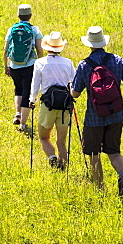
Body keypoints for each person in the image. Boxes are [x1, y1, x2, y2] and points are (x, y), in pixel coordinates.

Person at [70, 25, 123, 197]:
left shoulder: (84, 65)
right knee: (114, 151)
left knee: (94, 154)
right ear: (103, 42)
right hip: (116, 115)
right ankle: (122, 177)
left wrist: (70, 88)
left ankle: (100, 190)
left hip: (94, 118)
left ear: (89, 44)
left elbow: (75, 94)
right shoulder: (117, 60)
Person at [28, 31, 75, 169]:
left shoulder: (40, 63)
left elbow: (35, 83)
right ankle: (64, 167)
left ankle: (52, 158)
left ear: (47, 46)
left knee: (43, 137)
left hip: (48, 105)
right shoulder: (68, 63)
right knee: (62, 141)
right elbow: (74, 82)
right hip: (65, 105)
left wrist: (32, 100)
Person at [3, 3, 43, 132]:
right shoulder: (35, 30)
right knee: (27, 93)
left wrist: (6, 66)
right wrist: (41, 64)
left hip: (14, 64)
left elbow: (5, 50)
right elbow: (39, 49)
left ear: (18, 15)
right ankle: (23, 125)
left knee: (18, 89)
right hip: (29, 65)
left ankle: (17, 114)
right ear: (30, 16)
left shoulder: (11, 29)